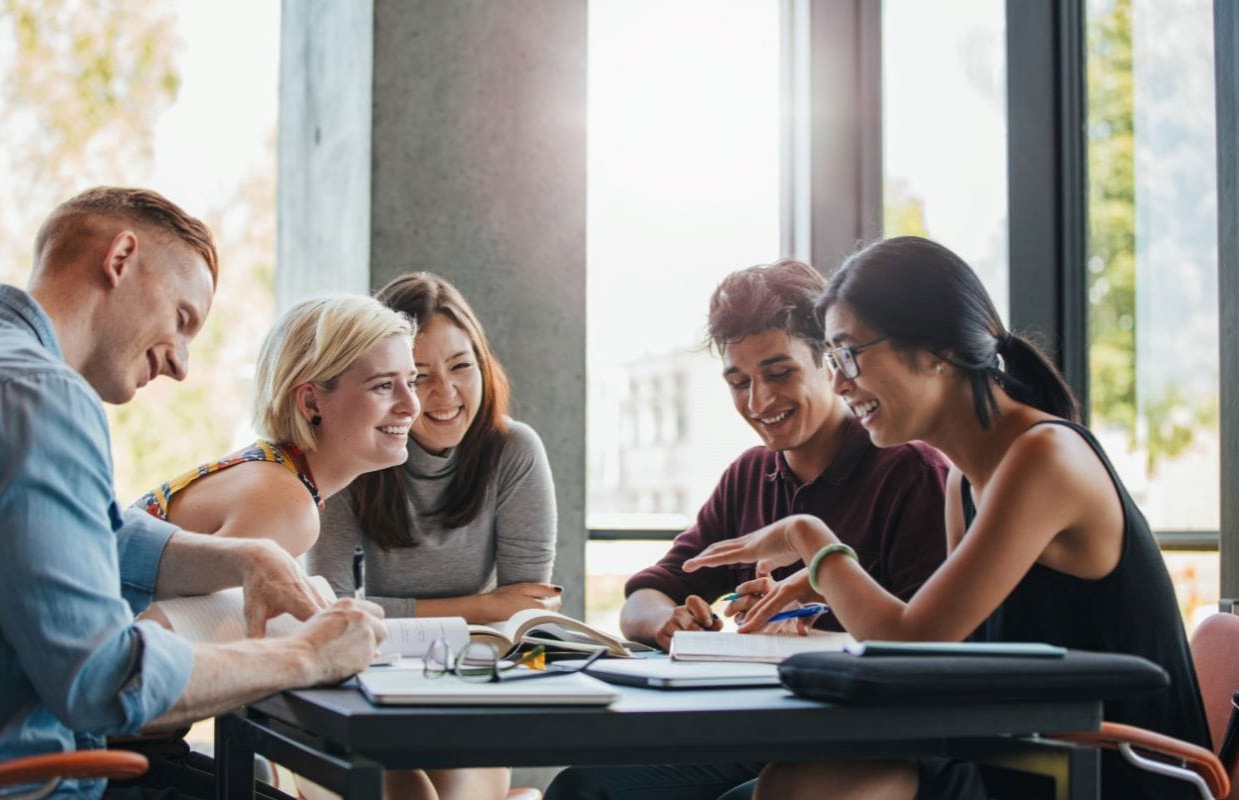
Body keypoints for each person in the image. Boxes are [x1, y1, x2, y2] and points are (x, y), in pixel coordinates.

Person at [682, 236, 1210, 800]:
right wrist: (824, 584)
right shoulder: (965, 480)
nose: (837, 382)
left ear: (938, 350)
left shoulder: (1044, 458)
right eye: (833, 359)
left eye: (850, 354)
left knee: (802, 789)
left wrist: (808, 538)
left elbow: (909, 643)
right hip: (1023, 754)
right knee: (791, 782)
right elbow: (942, 656)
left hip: (1110, 771)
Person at [0, 187, 387, 800]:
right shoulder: (40, 395)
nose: (181, 365)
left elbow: (93, 535)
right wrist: (308, 655)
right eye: (182, 319)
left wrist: (247, 557)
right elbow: (102, 679)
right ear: (120, 259)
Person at [546, 258, 949, 800]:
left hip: (867, 743)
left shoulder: (909, 471)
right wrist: (667, 623)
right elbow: (646, 594)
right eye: (739, 382)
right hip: (760, 733)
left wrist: (808, 631)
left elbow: (929, 651)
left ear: (830, 362)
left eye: (779, 374)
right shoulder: (749, 475)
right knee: (581, 788)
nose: (758, 402)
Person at [308, 272, 558, 800]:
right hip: (359, 696)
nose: (445, 393)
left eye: (461, 366)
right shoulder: (349, 454)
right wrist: (483, 606)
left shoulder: (514, 451)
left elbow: (525, 614)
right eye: (419, 376)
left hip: (465, 694)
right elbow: (329, 612)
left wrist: (493, 612)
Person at [133, 294, 419, 559]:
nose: (411, 405)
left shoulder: (274, 472)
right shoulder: (285, 506)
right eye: (383, 385)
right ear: (311, 402)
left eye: (411, 382)